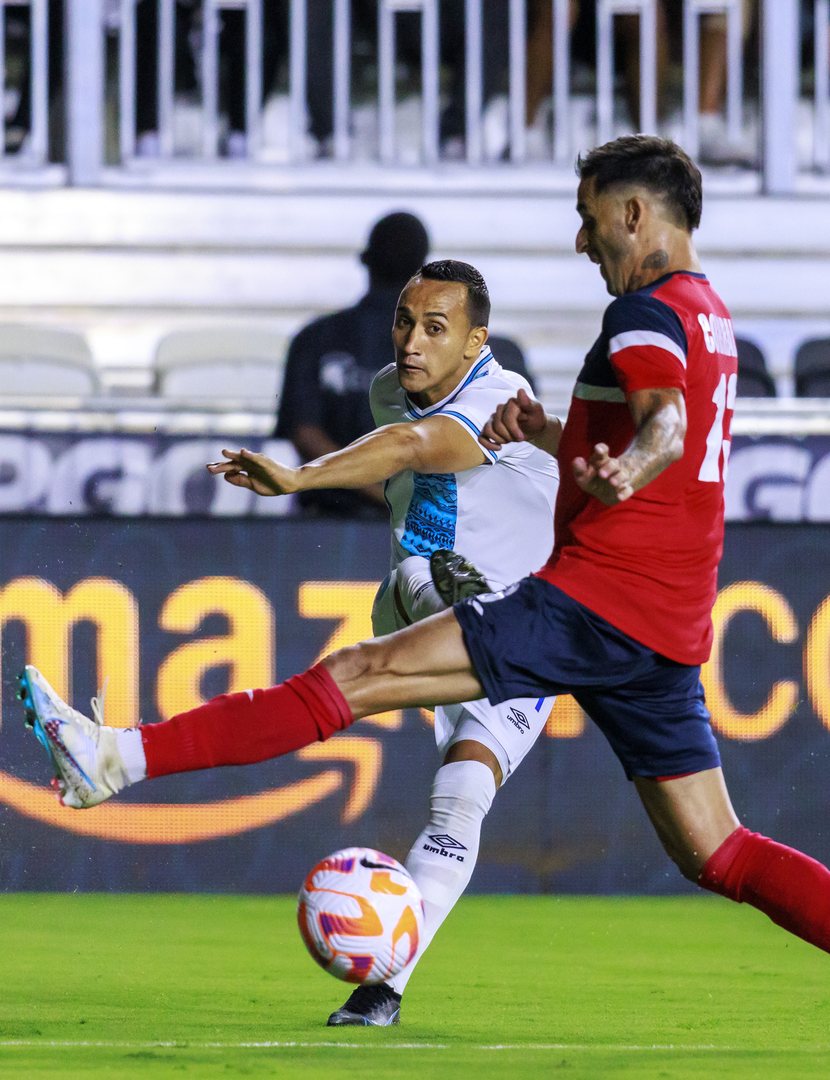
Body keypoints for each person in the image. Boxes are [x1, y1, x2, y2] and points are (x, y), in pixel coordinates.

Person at [24, 135, 830, 1051]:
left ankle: (116, 759)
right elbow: (664, 433)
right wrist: (559, 438)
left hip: (591, 602)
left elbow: (666, 425)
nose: (583, 241)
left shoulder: (643, 312)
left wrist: (625, 470)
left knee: (357, 675)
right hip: (665, 626)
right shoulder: (710, 313)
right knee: (715, 849)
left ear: (637, 214)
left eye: (589, 219)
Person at [198, 258, 560, 1025]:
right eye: (405, 322)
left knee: (460, 805)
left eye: (436, 328)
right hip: (425, 614)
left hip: (526, 628)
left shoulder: (501, 397)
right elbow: (398, 441)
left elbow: (408, 448)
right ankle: (441, 596)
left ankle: (381, 990)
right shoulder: (385, 390)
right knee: (417, 573)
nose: (411, 341)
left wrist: (298, 480)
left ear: (475, 342)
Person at [276, 212, 534, 518]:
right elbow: (513, 440)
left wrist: (382, 494)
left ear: (365, 261)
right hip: (444, 529)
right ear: (423, 270)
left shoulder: (315, 338)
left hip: (338, 527)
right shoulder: (486, 351)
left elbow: (305, 434)